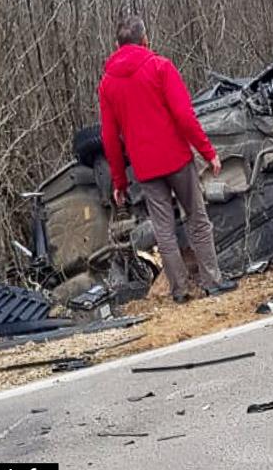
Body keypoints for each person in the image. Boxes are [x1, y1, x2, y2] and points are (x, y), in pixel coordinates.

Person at [98, 15, 237, 302]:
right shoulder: (160, 67)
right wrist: (207, 152)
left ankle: (180, 291)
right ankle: (212, 281)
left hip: (146, 169)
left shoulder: (107, 85)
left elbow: (110, 138)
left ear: (117, 45)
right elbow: (184, 116)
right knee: (197, 219)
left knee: (164, 231)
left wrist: (119, 181)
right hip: (176, 158)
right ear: (145, 40)